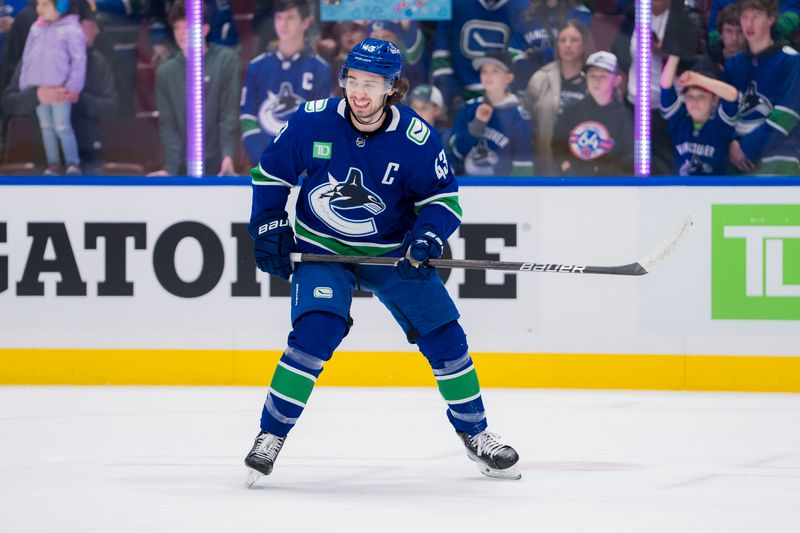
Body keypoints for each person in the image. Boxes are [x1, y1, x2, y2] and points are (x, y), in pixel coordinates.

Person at [243, 37, 521, 486]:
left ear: (392, 87)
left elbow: (443, 201)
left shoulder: (415, 138)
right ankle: (269, 435)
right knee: (316, 331)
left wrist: (427, 238)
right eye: (352, 80)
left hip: (390, 255)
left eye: (371, 83)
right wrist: (269, 223)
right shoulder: (312, 121)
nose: (359, 91)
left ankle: (477, 434)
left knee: (446, 338)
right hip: (322, 250)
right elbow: (270, 174)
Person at [2, 3, 117, 175]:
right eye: (90, 24)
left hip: (88, 158)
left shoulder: (96, 61)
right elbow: (9, 102)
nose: (96, 31)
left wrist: (75, 97)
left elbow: (112, 108)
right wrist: (37, 95)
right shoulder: (35, 57)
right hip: (40, 158)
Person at [148, 0, 239, 176]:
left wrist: (227, 155)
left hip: (218, 164)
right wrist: (171, 169)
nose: (182, 34)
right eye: (177, 28)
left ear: (204, 29)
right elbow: (168, 125)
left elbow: (228, 114)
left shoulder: (226, 60)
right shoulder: (166, 72)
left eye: (187, 27)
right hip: (183, 167)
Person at [239, 0, 332, 165]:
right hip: (265, 166)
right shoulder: (257, 66)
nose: (283, 24)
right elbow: (248, 119)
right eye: (279, 18)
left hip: (304, 168)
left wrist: (304, 164)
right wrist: (265, 161)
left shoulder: (320, 69)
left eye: (290, 18)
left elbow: (324, 125)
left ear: (306, 22)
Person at [721, 0, 800, 174]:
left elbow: (786, 117)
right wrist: (732, 144)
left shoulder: (791, 61)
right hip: (738, 164)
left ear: (771, 19)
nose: (748, 24)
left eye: (756, 17)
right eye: (744, 17)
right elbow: (726, 114)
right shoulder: (734, 64)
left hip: (779, 161)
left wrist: (745, 148)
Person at [19, 0, 85, 175]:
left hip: (60, 90)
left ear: (61, 6)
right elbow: (27, 58)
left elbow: (79, 60)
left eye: (45, 4)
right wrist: (25, 84)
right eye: (38, 4)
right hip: (38, 88)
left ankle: (73, 163)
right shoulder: (35, 29)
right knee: (46, 127)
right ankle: (53, 163)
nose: (39, 9)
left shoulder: (71, 29)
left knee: (62, 126)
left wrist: (73, 87)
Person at [524, 19, 593, 175]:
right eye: (563, 40)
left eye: (574, 40)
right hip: (546, 165)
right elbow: (527, 124)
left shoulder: (595, 81)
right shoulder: (540, 79)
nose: (567, 45)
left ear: (584, 44)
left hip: (585, 167)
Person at [449, 49, 534, 176]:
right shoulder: (469, 108)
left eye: (495, 71)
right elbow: (456, 151)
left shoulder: (519, 116)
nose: (488, 76)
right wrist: (477, 124)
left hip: (502, 190)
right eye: (484, 71)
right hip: (468, 187)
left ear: (508, 78)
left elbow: (523, 166)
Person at [552, 51, 634, 175]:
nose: (596, 81)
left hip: (611, 188)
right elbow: (557, 144)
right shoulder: (571, 111)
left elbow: (630, 157)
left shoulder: (625, 117)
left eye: (603, 76)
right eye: (592, 76)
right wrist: (565, 164)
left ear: (616, 80)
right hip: (575, 186)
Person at [660, 54, 737, 175]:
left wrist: (697, 79)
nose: (694, 102)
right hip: (681, 191)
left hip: (713, 191)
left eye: (701, 97)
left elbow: (732, 95)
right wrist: (675, 53)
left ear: (714, 100)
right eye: (690, 96)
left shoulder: (720, 125)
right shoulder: (680, 121)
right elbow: (665, 86)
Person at [707, 4, 746, 70]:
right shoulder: (710, 60)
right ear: (721, 34)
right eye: (729, 31)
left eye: (740, 31)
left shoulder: (757, 61)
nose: (734, 38)